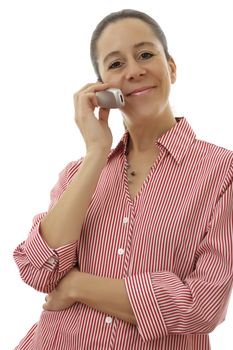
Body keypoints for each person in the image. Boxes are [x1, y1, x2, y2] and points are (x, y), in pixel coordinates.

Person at [13, 8, 233, 350]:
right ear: (102, 88)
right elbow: (40, 271)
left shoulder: (222, 172)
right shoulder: (78, 173)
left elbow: (203, 304)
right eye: (116, 64)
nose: (134, 71)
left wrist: (76, 286)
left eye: (145, 54)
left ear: (171, 68)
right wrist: (96, 153)